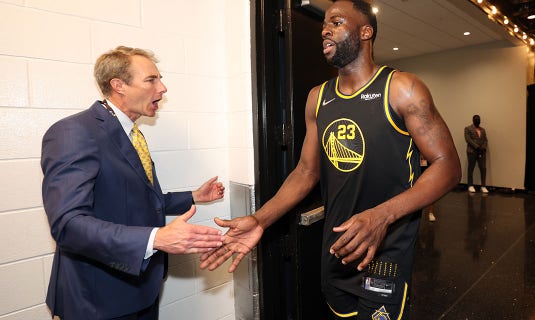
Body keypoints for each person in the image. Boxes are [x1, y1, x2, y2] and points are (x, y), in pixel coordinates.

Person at [200, 1, 461, 319]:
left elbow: (447, 165)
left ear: (366, 32)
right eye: (324, 23)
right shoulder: (318, 98)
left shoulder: (402, 89)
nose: (325, 29)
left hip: (385, 251)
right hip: (336, 251)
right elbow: (306, 171)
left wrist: (382, 215)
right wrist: (260, 220)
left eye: (336, 22)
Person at [41, 46, 227, 320]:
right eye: (151, 80)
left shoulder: (131, 133)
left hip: (141, 289)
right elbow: (68, 225)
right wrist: (156, 238)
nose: (162, 88)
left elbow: (136, 199)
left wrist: (194, 196)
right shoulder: (74, 132)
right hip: (98, 300)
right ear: (119, 85)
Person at [464, 115, 488, 193]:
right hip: (472, 151)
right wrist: (477, 147)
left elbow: (485, 140)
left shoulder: (483, 130)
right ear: (473, 120)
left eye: (478, 119)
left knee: (483, 169)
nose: (477, 120)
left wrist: (483, 148)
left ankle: (483, 186)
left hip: (482, 152)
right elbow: (468, 139)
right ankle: (470, 185)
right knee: (471, 168)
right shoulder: (468, 128)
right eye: (476, 119)